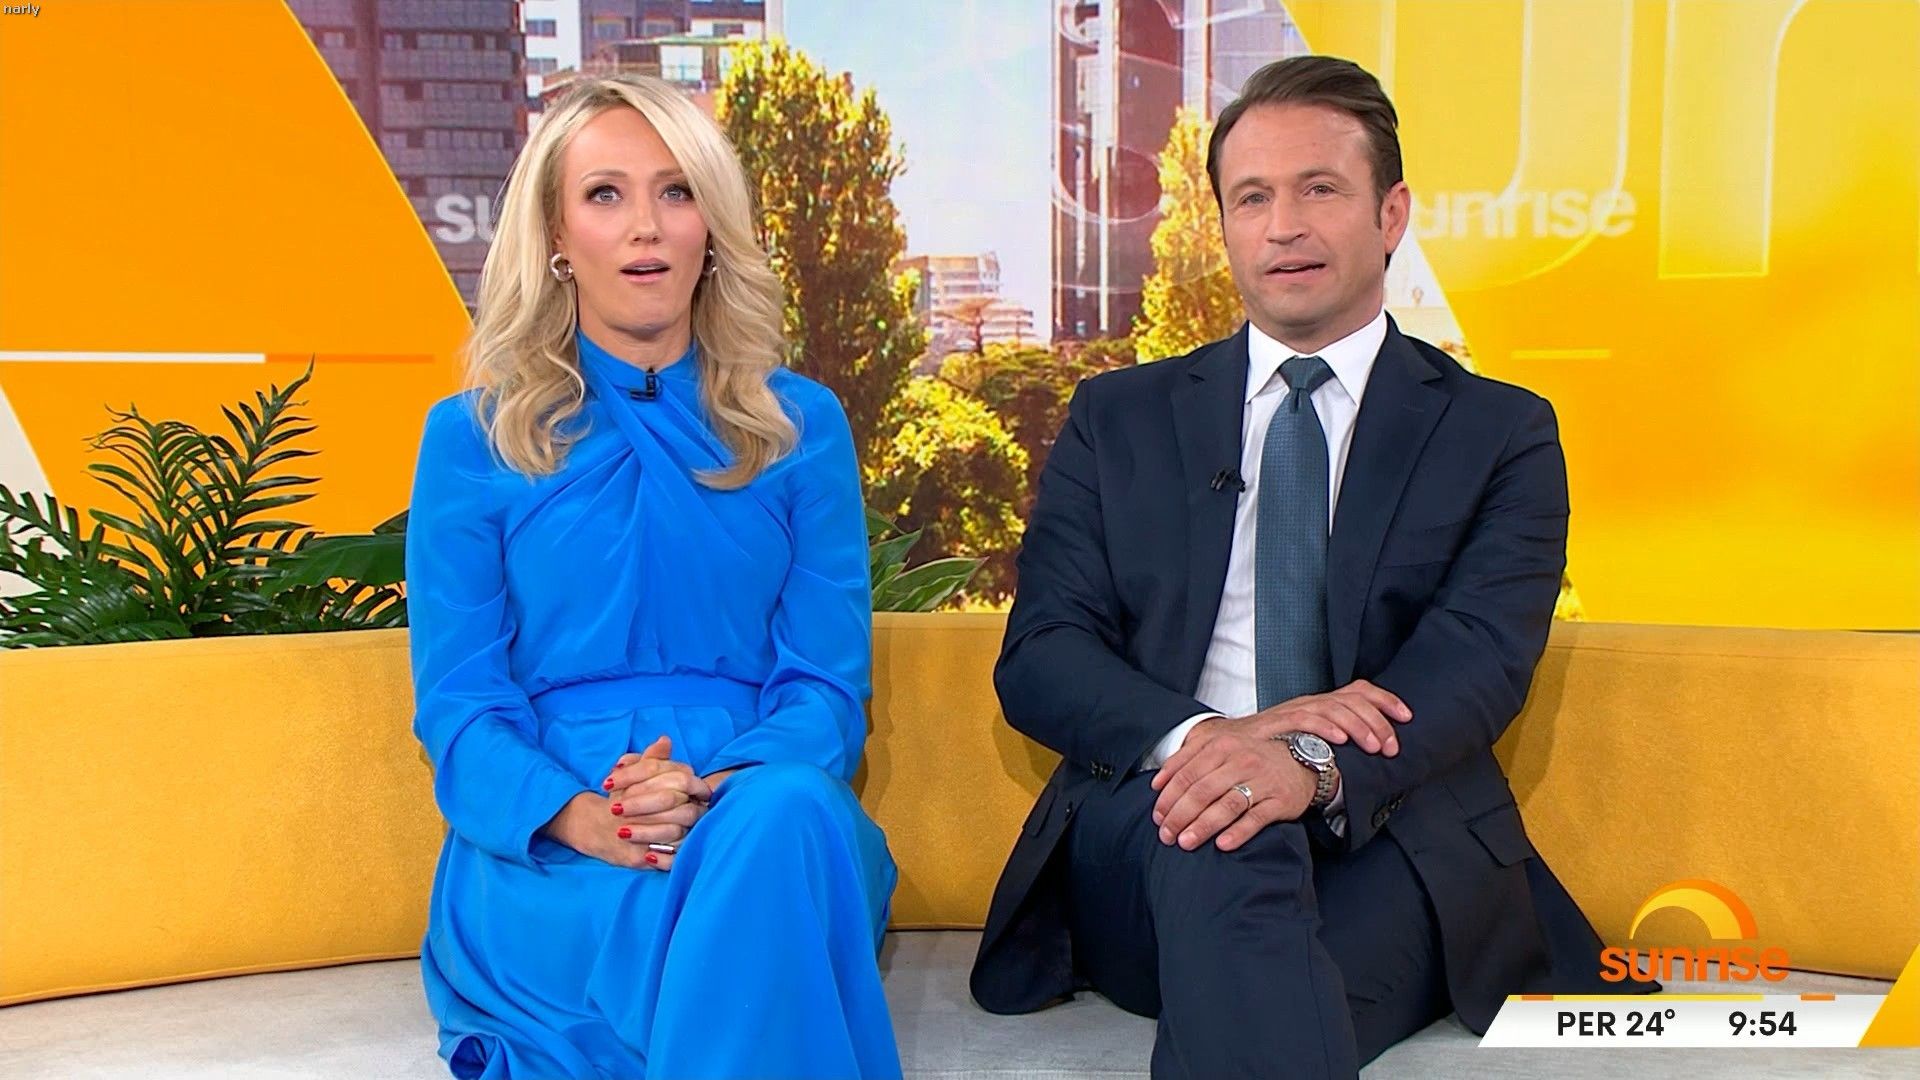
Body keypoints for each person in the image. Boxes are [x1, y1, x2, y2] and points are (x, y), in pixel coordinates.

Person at [970, 56, 1621, 1078]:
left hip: (1389, 833)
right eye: (1252, 198)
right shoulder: (1116, 419)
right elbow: (1043, 655)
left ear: (1391, 214)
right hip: (1157, 825)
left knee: (1266, 986)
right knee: (1229, 831)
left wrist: (1306, 763)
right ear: (1224, 225)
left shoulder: (1499, 433)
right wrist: (1217, 742)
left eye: (1319, 189)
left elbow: (1477, 661)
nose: (1283, 226)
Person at [405, 75, 901, 1080]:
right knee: (731, 881)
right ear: (555, 234)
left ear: (710, 227)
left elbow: (824, 687)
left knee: (786, 820)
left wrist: (710, 792)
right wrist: (584, 816)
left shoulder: (800, 427)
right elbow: (459, 700)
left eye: (677, 192)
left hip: (749, 801)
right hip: (556, 836)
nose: (647, 226)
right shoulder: (471, 437)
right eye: (606, 194)